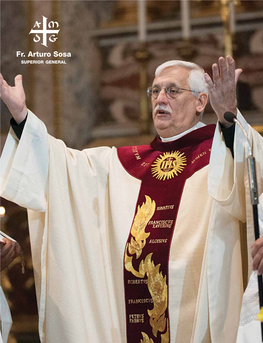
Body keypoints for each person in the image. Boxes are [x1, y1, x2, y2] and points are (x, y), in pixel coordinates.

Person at [0, 56, 263, 343]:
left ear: (201, 102)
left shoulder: (225, 151)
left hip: (203, 311)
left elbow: (253, 179)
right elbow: (62, 168)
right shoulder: (122, 163)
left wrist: (229, 117)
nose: (160, 98)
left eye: (172, 91)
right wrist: (23, 116)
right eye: (155, 91)